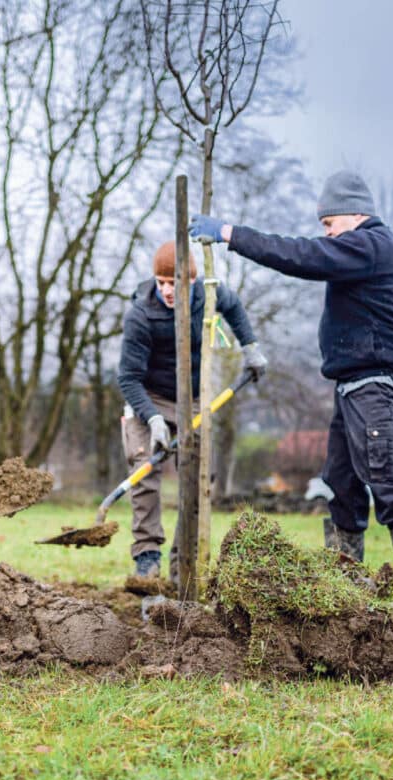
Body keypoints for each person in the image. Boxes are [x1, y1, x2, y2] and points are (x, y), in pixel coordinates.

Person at [188, 170, 393, 612]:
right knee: (342, 487)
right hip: (354, 387)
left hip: (378, 386)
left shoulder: (370, 244)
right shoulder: (361, 250)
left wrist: (230, 234)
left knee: (391, 487)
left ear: (355, 213)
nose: (326, 232)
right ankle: (346, 598)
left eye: (329, 222)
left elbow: (303, 256)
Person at [117, 241, 267, 582]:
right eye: (161, 282)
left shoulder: (209, 295)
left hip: (196, 397)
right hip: (149, 396)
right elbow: (128, 378)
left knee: (199, 476)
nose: (167, 290)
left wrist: (251, 349)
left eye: (175, 283)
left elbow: (235, 308)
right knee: (144, 472)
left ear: (192, 282)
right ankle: (147, 557)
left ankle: (182, 562)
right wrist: (153, 419)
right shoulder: (141, 313)